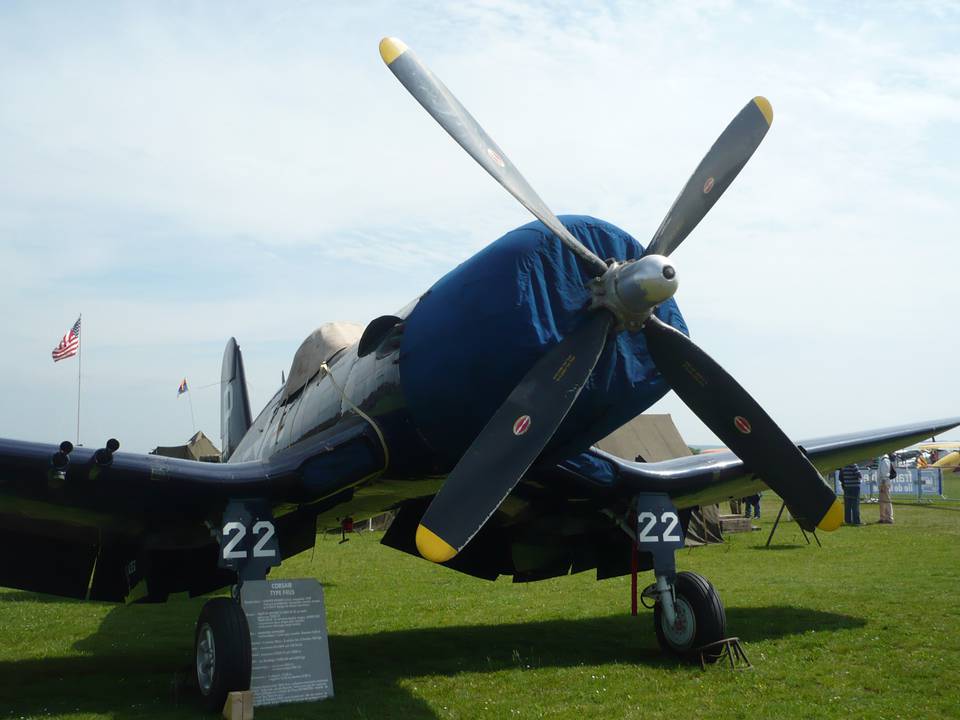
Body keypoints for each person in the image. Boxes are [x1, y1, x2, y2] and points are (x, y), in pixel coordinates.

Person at [878, 453, 895, 524]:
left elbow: (885, 474)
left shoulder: (885, 460)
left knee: (887, 500)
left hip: (884, 483)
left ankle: (889, 518)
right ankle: (883, 517)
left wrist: (883, 484)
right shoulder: (882, 460)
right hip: (882, 482)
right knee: (882, 501)